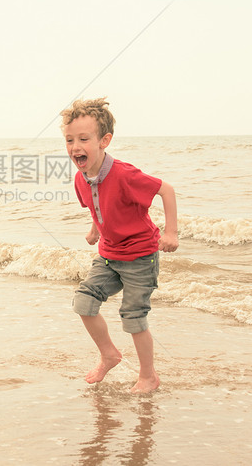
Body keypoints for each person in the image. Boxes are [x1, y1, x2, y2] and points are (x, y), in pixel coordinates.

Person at [61, 98, 178, 394]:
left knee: (133, 316)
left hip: (141, 256)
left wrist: (171, 232)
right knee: (83, 303)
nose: (75, 146)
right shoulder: (80, 178)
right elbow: (97, 206)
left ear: (104, 141)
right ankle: (109, 355)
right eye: (69, 139)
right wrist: (94, 231)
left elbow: (166, 189)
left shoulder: (125, 174)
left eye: (83, 139)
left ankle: (148, 375)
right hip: (110, 255)